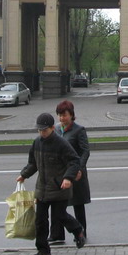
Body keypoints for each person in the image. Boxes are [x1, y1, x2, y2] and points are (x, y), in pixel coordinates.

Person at [16, 113, 86, 255]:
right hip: (42, 188)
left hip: (59, 188)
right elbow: (33, 163)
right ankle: (43, 250)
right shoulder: (37, 143)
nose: (42, 133)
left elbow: (74, 161)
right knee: (40, 221)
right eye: (39, 130)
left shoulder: (61, 144)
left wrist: (68, 178)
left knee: (60, 216)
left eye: (44, 130)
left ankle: (77, 230)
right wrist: (24, 175)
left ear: (52, 128)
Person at [48, 100, 91, 245]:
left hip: (76, 172)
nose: (62, 118)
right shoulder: (56, 129)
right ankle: (57, 234)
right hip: (60, 172)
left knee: (78, 203)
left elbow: (85, 151)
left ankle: (81, 232)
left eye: (64, 115)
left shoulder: (79, 130)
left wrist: (79, 168)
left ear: (71, 115)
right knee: (57, 203)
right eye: (59, 115)